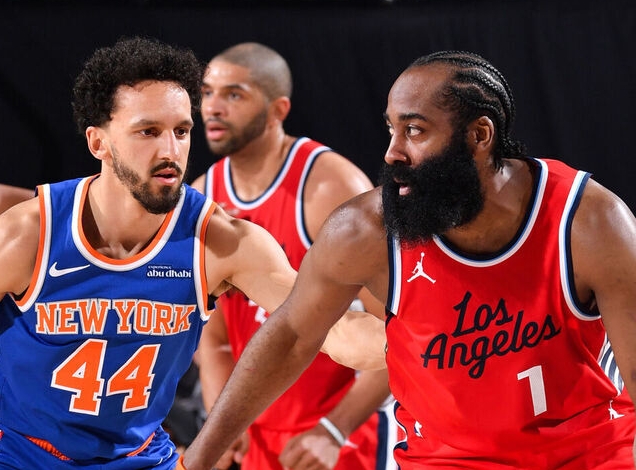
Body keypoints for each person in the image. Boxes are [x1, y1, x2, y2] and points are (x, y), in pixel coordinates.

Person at [183, 50, 636, 469]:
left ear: (479, 136)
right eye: (391, 129)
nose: (392, 152)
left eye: (415, 131)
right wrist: (197, 459)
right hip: (442, 460)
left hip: (585, 456)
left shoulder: (589, 221)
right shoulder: (365, 229)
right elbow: (290, 335)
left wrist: (334, 427)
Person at [0, 36, 378, 470]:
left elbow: (334, 329)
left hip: (140, 458)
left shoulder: (220, 240)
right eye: (148, 132)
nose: (171, 151)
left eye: (181, 131)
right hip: (23, 455)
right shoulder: (28, 234)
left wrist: (423, 340)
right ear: (98, 143)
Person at [189, 42, 396, 470]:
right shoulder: (204, 195)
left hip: (341, 431)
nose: (213, 107)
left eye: (234, 94)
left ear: (278, 109)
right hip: (257, 429)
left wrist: (335, 429)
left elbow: (402, 334)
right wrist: (221, 424)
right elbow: (214, 339)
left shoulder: (330, 187)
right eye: (207, 92)